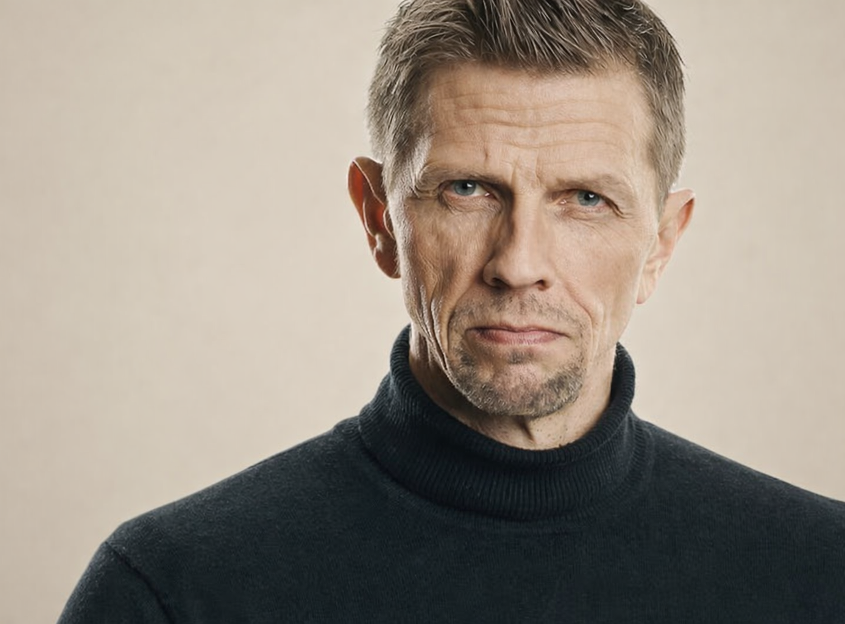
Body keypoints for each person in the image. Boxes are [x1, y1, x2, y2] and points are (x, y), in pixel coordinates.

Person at [58, 0, 845, 621]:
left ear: (662, 243)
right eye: (467, 190)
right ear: (379, 219)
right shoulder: (175, 588)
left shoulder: (819, 574)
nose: (519, 264)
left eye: (585, 199)